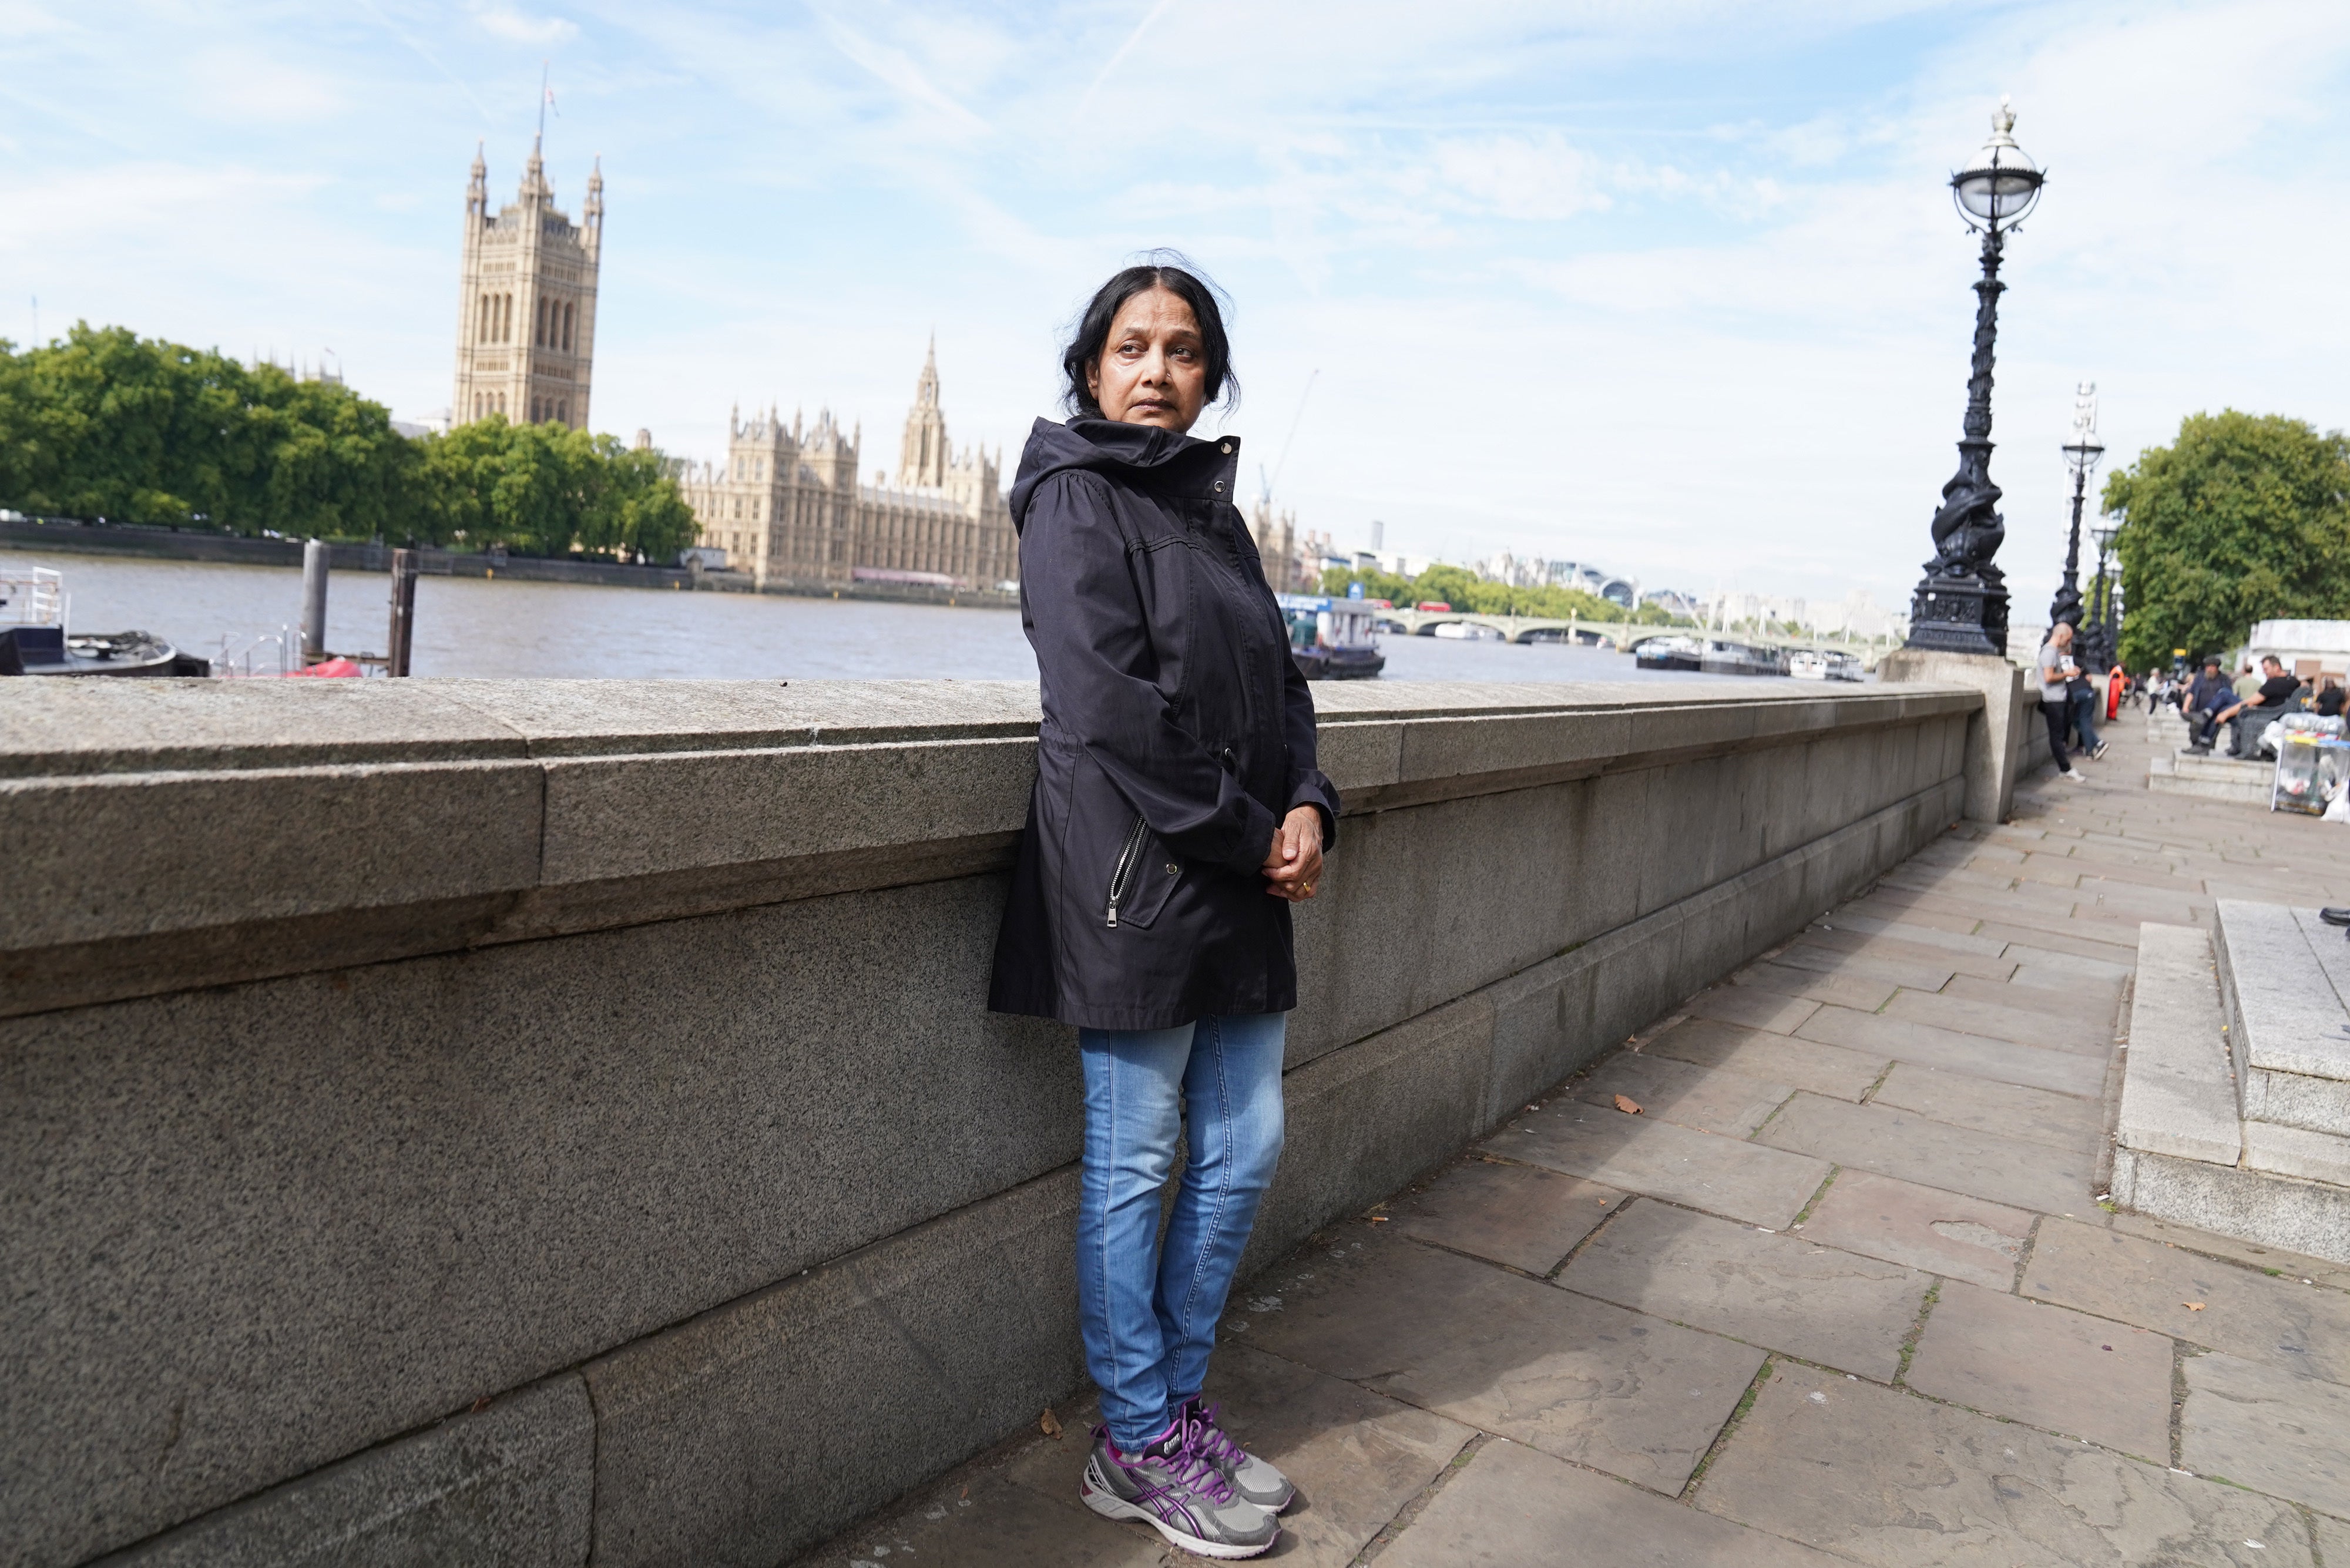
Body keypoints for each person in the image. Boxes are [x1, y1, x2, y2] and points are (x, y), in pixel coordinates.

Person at [988, 258, 1337, 1560]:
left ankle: (1171, 1411)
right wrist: (1261, 836)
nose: (1154, 368)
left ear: (1208, 376)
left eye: (1182, 350)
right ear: (1090, 368)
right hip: (1138, 882)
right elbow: (1111, 709)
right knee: (1134, 1162)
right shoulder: (1073, 500)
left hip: (1242, 873)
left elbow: (1283, 684)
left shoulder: (1213, 514)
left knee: (1241, 1149)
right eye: (1130, 346)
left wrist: (1309, 802)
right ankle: (1135, 1438)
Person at [2212, 654, 2307, 758]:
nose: (2264, 672)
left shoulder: (2274, 683)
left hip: (2261, 715)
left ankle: (2205, 735)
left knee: (2224, 697)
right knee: (2225, 702)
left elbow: (2251, 702)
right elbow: (2304, 685)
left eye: (2266, 669)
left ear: (2277, 668)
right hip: (2271, 713)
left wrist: (2226, 714)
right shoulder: (2293, 681)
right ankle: (2207, 717)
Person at [2037, 623, 2085, 781]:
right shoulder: (2049, 652)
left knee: (2061, 735)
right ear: (2061, 636)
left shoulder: (2054, 652)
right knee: (2057, 736)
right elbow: (2049, 677)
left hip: (2058, 698)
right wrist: (2067, 674)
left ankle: (2065, 768)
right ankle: (2066, 768)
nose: (2069, 642)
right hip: (2053, 700)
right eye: (2069, 639)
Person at [2184, 656, 2235, 751]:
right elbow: (2191, 692)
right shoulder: (2200, 677)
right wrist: (2186, 707)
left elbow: (2228, 695)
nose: (2210, 669)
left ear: (2217, 668)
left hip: (2215, 714)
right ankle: (2194, 748)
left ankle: (2206, 752)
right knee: (2194, 732)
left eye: (2212, 667)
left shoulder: (2224, 679)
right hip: (2198, 712)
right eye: (2208, 666)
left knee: (2210, 737)